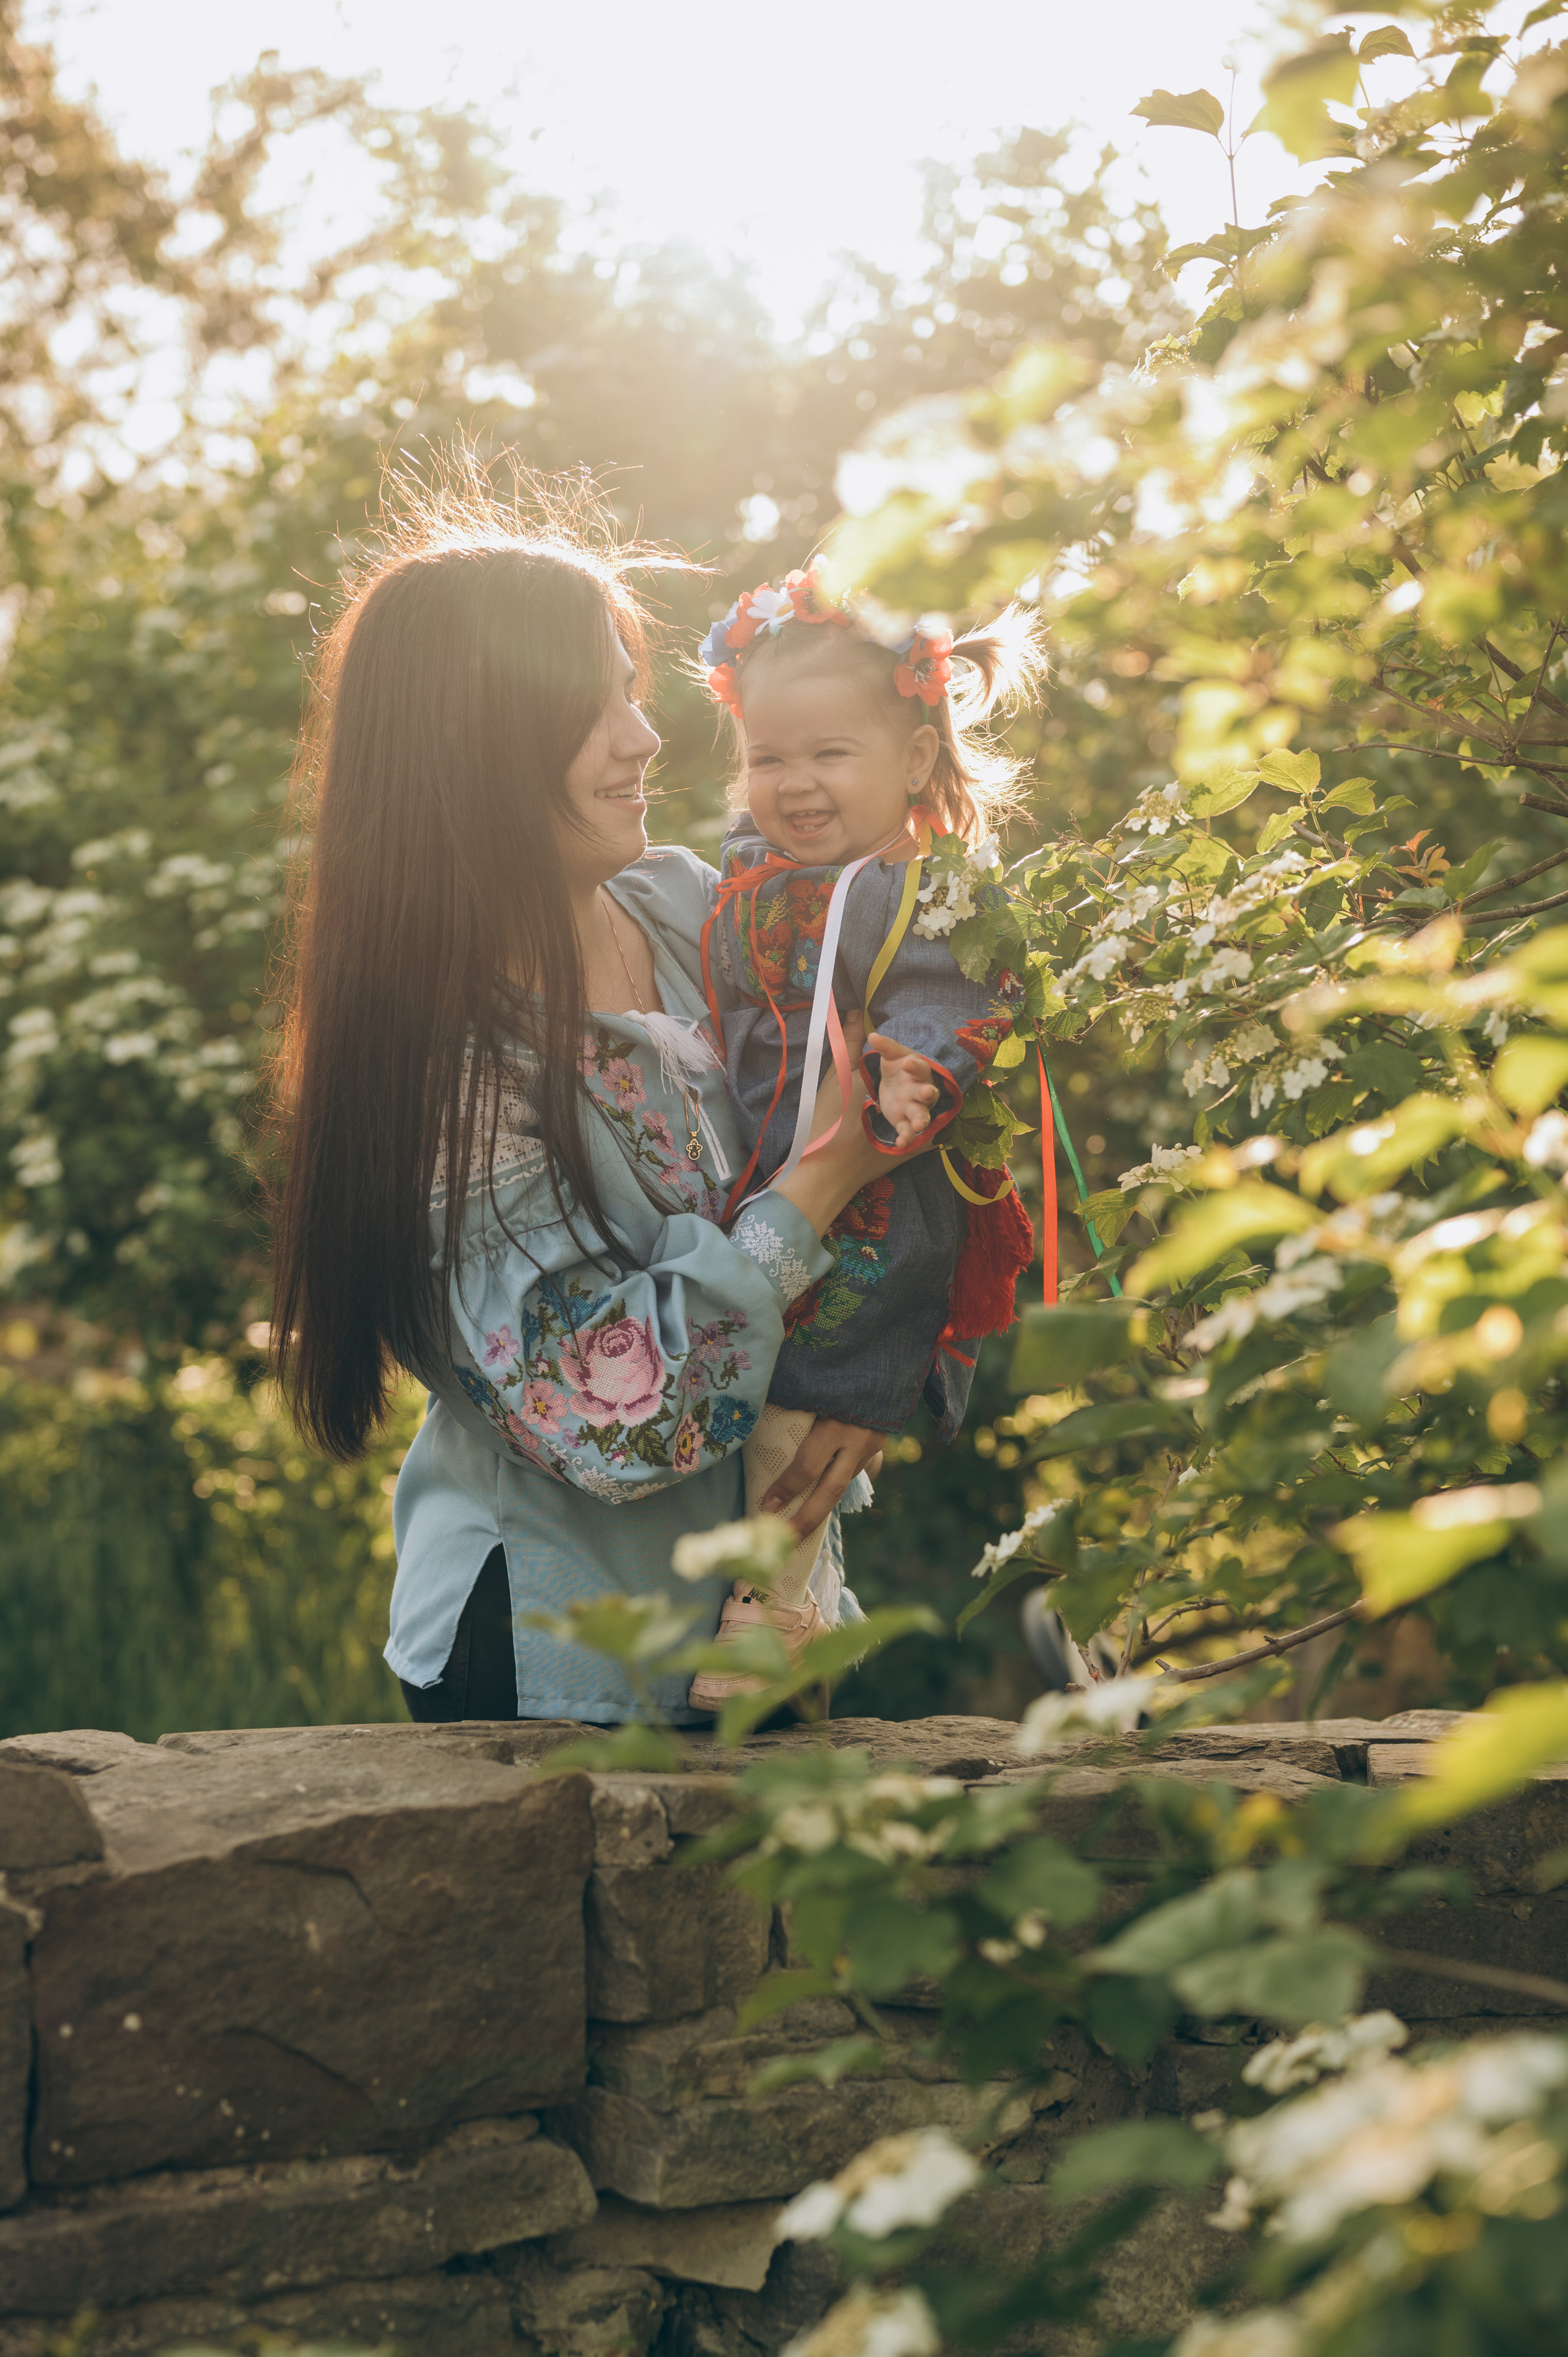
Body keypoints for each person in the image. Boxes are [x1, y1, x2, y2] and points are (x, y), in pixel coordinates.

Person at [267, 480, 895, 1725]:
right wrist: (826, 1176)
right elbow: (613, 1419)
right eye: (592, 704)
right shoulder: (446, 1065)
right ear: (476, 740)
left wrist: (870, 1389)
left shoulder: (683, 911)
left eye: (631, 686)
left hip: (769, 1622)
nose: (643, 736)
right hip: (562, 1660)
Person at [685, 565, 1041, 1711]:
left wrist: (916, 1067)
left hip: (880, 1195)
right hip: (780, 1183)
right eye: (766, 758)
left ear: (917, 761)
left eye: (829, 755)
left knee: (804, 1405)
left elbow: (960, 994)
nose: (792, 785)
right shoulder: (756, 878)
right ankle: (779, 1616)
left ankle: (771, 1626)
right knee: (762, 1391)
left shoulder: (911, 891)